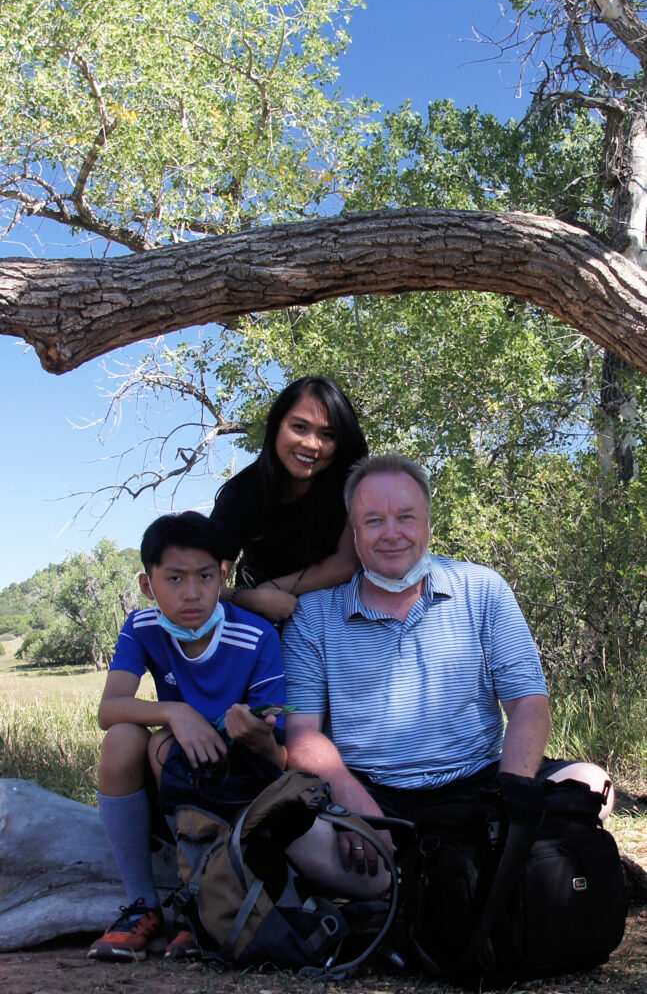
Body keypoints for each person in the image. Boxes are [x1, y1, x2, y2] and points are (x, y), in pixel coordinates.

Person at [282, 453, 614, 877]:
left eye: (406, 517)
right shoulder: (313, 616)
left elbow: (529, 703)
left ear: (428, 522)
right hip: (370, 789)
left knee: (591, 784)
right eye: (374, 521)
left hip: (481, 780)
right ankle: (410, 890)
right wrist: (353, 804)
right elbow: (302, 734)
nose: (392, 534)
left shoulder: (483, 589)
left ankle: (464, 876)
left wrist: (514, 794)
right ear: (353, 530)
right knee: (297, 834)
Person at [88, 511, 287, 962]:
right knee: (126, 738)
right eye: (174, 578)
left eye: (204, 576)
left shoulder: (255, 636)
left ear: (223, 576)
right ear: (147, 585)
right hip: (176, 778)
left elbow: (280, 750)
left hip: (239, 789)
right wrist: (175, 712)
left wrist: (254, 735)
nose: (191, 593)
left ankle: (200, 904)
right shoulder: (142, 628)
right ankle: (142, 905)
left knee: (165, 749)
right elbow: (110, 708)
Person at [210, 375, 368, 622]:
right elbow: (207, 583)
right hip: (258, 622)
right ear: (277, 425)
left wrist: (271, 589)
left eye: (327, 435)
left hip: (337, 621)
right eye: (299, 427)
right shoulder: (240, 493)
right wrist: (253, 599)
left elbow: (347, 564)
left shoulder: (352, 486)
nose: (311, 444)